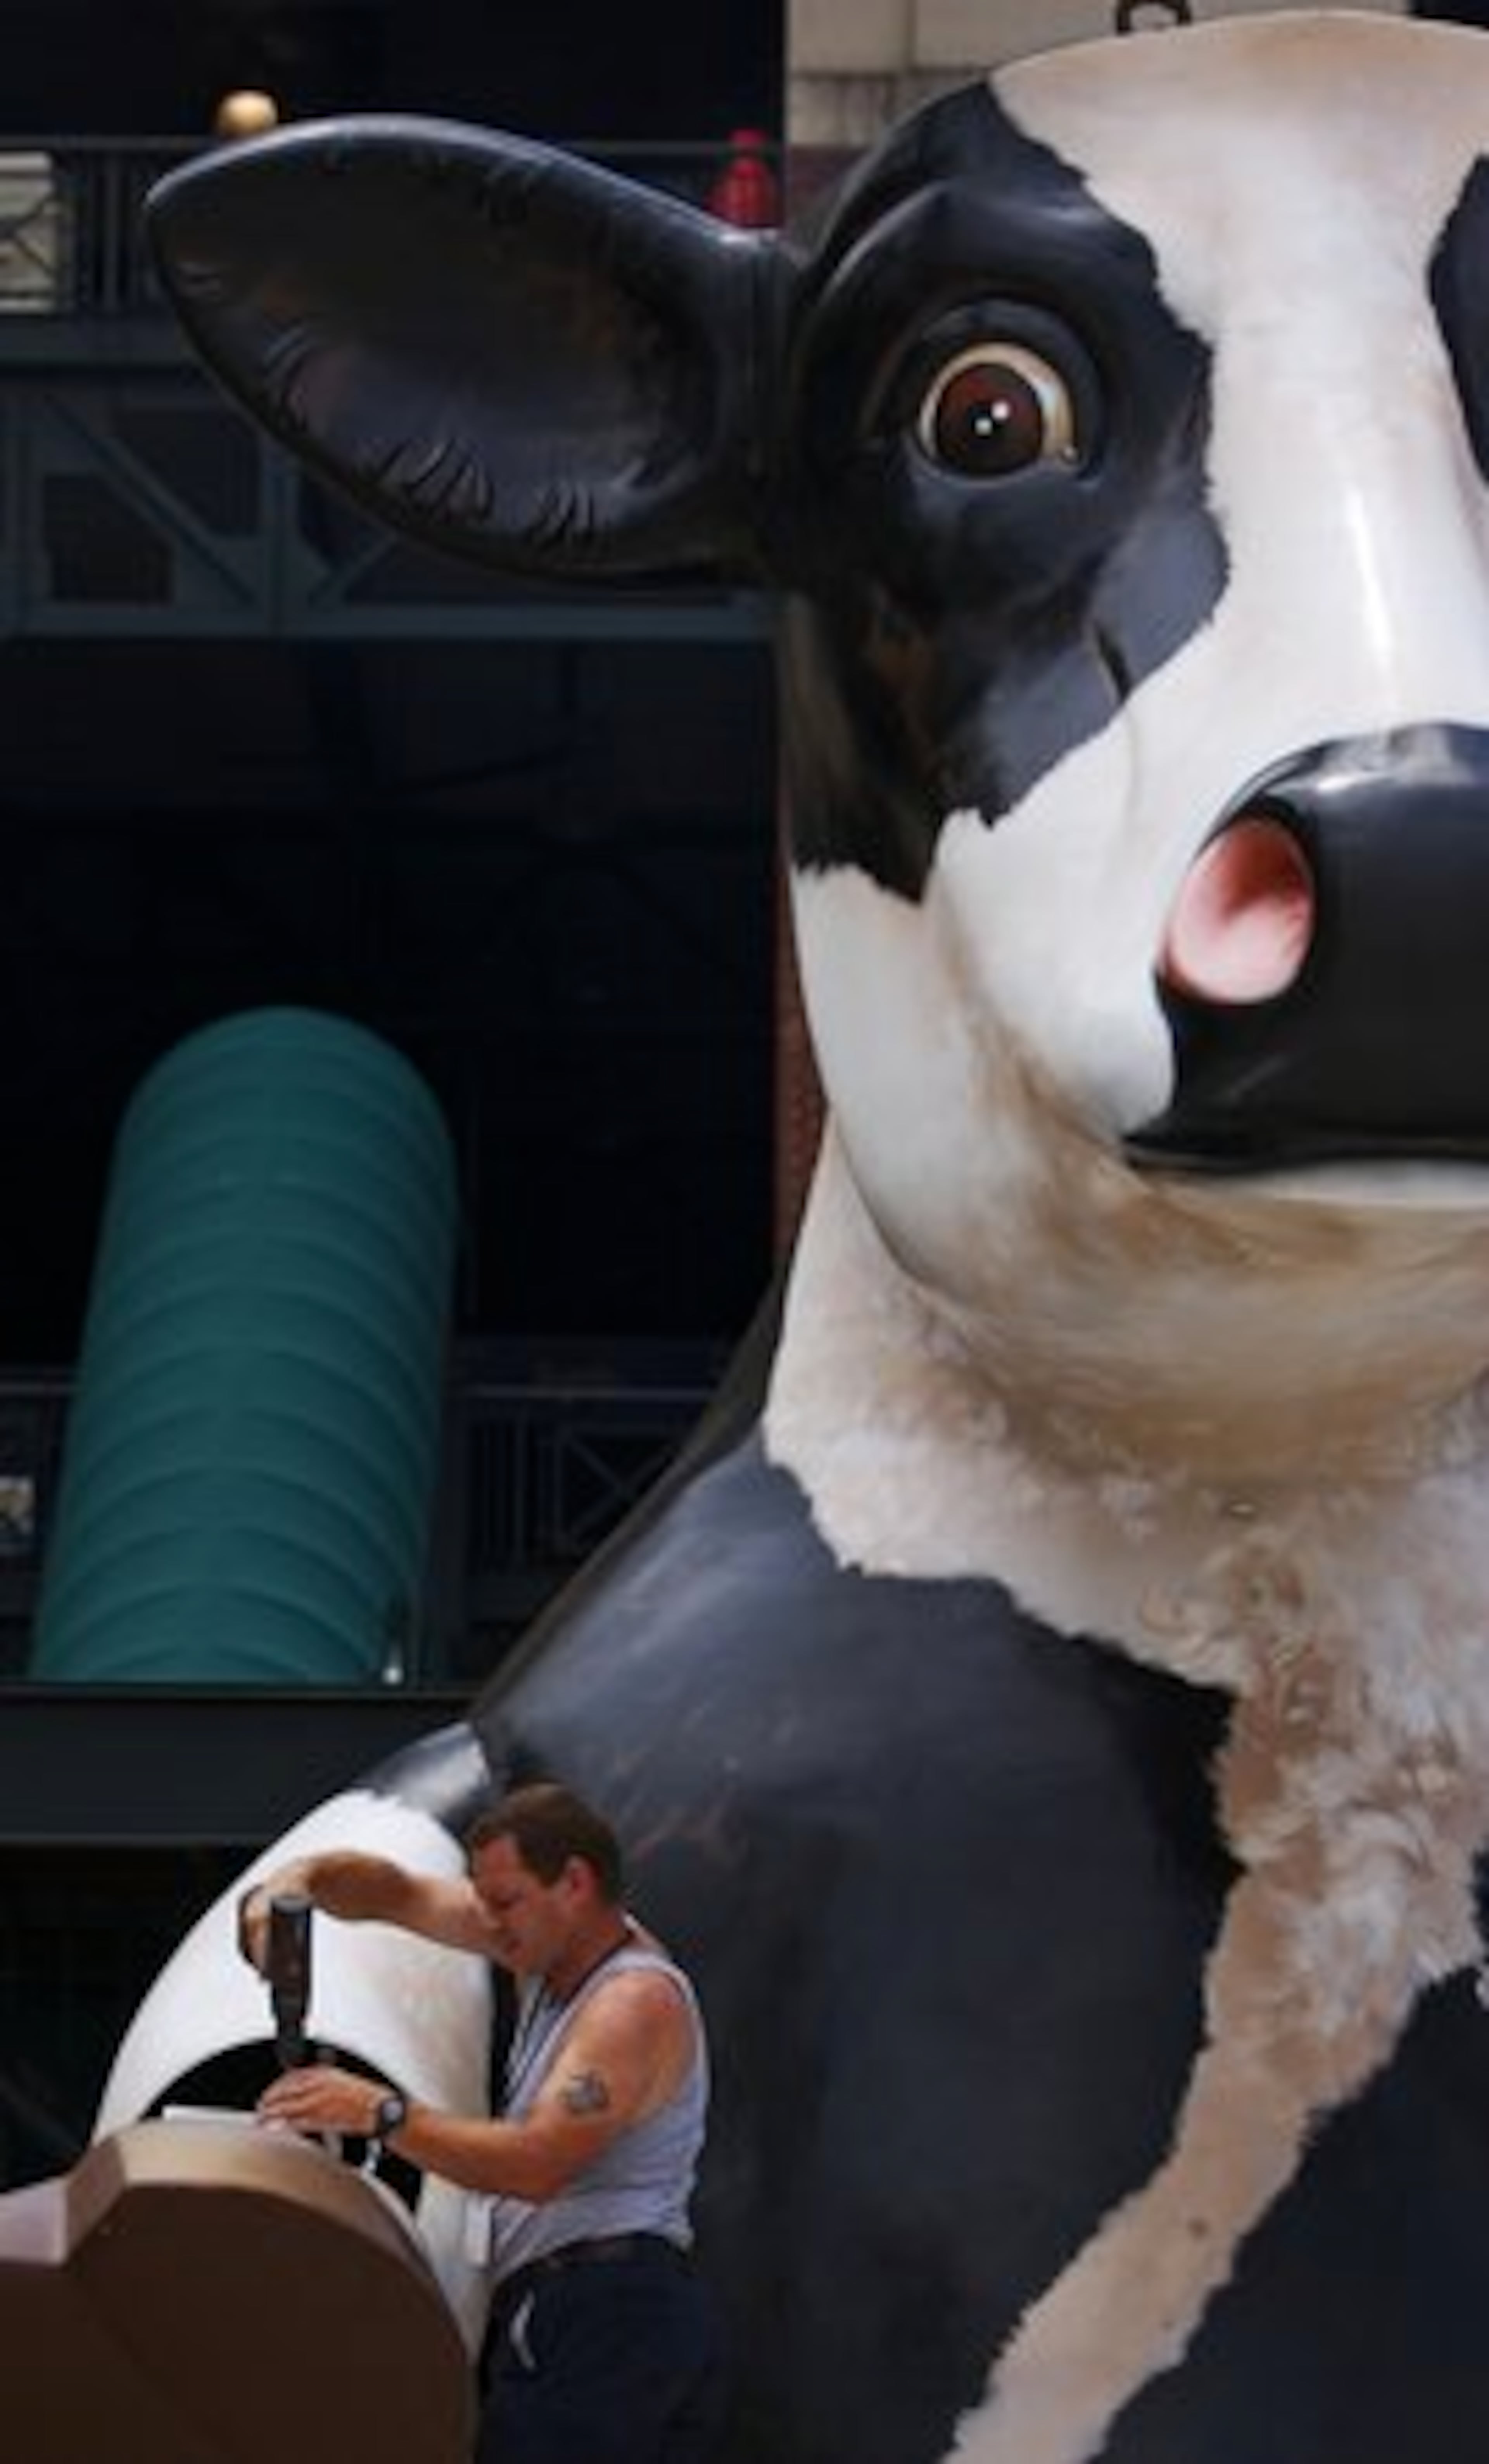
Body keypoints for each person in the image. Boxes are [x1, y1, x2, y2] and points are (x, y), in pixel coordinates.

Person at [238, 1782, 723, 2464]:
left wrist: (378, 2110)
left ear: (575, 1883)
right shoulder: (544, 1945)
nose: (489, 1924)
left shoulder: (629, 2006)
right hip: (605, 2315)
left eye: (505, 1902)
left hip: (604, 2308)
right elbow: (394, 1892)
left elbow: (538, 2163)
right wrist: (292, 1885)